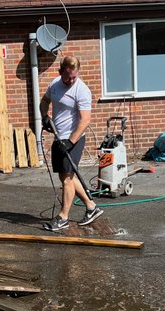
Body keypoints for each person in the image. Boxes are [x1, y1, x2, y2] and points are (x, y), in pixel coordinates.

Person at [40, 55, 103, 232]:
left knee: (67, 178)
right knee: (64, 176)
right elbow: (44, 101)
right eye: (68, 77)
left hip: (74, 138)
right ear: (60, 72)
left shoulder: (81, 90)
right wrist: (45, 117)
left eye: (74, 76)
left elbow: (85, 120)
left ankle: (63, 217)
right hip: (59, 137)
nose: (72, 80)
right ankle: (91, 207)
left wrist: (71, 141)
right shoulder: (55, 84)